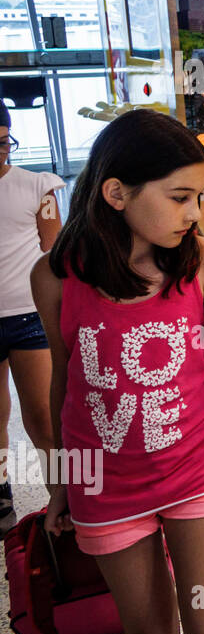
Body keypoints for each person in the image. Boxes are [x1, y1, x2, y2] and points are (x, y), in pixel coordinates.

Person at [31, 110, 204, 634]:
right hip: (103, 487)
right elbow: (65, 384)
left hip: (196, 471)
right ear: (116, 193)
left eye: (201, 197)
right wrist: (60, 483)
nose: (195, 214)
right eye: (179, 197)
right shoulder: (56, 276)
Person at [0, 106, 62, 532]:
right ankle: (1, 491)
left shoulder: (37, 187)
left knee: (43, 414)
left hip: (29, 315)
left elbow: (53, 252)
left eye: (3, 143)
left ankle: (63, 494)